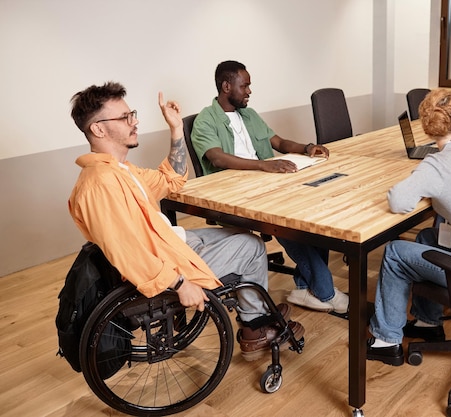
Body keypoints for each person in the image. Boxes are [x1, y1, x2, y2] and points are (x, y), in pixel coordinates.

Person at [68, 81, 304, 362]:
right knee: (251, 247)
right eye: (125, 117)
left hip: (172, 242)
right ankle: (255, 328)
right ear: (98, 129)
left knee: (240, 234)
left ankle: (256, 310)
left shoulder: (121, 171)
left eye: (132, 114)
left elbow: (172, 179)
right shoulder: (100, 184)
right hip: (166, 264)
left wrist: (177, 129)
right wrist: (180, 285)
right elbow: (128, 253)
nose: (135, 121)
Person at [191, 60, 349, 314]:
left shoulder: (249, 115)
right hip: (236, 192)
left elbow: (279, 142)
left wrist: (307, 148)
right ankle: (326, 292)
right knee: (288, 223)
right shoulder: (205, 120)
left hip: (268, 182)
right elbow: (217, 158)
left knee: (313, 211)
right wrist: (263, 166)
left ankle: (305, 288)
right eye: (245, 86)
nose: (249, 91)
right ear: (226, 86)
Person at [366, 89, 451, 366]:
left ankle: (386, 340)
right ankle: (427, 322)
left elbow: (398, 201)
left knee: (394, 252)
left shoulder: (435, 165)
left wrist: (427, 184)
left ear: (426, 129)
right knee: (428, 235)